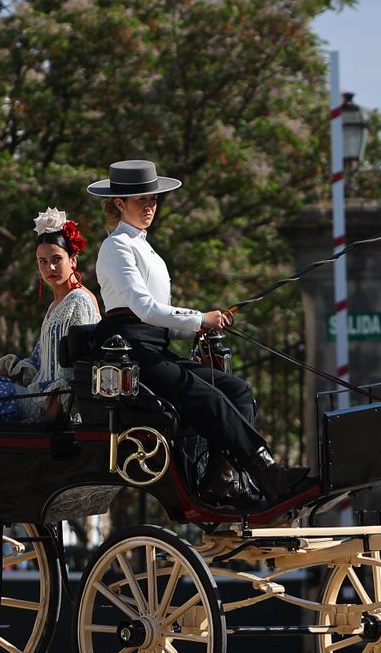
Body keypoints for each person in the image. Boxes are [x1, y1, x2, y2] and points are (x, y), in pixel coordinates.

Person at [89, 159, 310, 507]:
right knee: (207, 396)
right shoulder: (116, 247)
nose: (150, 206)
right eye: (142, 200)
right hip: (131, 353)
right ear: (120, 203)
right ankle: (267, 471)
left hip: (154, 346)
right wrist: (200, 319)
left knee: (236, 390)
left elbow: (158, 318)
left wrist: (200, 326)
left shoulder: (145, 248)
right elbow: (145, 309)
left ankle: (219, 477)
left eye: (154, 200)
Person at [0, 208, 101, 422]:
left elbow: (74, 368)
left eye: (57, 259)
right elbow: (37, 362)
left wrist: (49, 418)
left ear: (73, 260)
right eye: (43, 261)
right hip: (35, 396)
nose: (51, 267)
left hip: (54, 408)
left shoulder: (79, 301)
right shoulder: (55, 306)